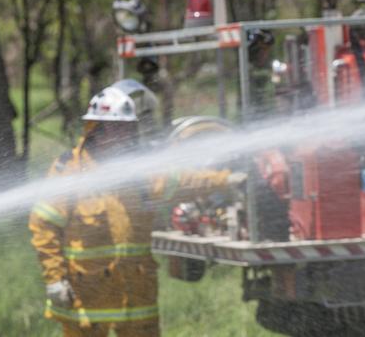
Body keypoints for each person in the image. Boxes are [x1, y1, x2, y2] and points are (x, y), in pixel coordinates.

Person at [29, 81, 231, 337]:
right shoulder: (69, 171)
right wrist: (54, 279)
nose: (123, 135)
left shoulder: (140, 170)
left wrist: (225, 179)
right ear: (96, 130)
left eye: (127, 128)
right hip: (86, 299)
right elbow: (43, 224)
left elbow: (183, 181)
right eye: (116, 128)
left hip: (136, 295)